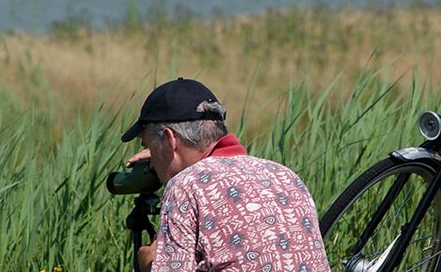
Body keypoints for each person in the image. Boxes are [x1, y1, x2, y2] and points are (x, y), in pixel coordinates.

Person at [121, 77, 331, 272]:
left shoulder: (186, 185)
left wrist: (148, 260)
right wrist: (163, 152)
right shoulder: (285, 175)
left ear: (169, 139)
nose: (152, 165)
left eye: (147, 144)